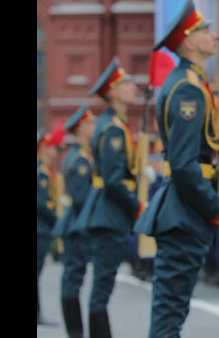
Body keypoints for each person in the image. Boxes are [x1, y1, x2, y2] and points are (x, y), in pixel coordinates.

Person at [134, 0, 219, 338]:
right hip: (185, 214)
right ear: (189, 41)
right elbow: (184, 166)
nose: (213, 34)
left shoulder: (192, 82)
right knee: (169, 317)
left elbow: (196, 152)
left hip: (184, 212)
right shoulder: (188, 89)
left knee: (173, 312)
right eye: (205, 29)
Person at [73, 57, 142, 338]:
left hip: (107, 212)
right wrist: (138, 206)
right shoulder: (113, 128)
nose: (133, 87)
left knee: (102, 286)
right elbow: (113, 180)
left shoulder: (114, 123)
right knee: (102, 287)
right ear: (113, 92)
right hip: (109, 213)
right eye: (126, 83)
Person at [54, 104, 97, 338]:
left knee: (73, 277)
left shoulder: (81, 156)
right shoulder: (80, 160)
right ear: (81, 128)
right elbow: (82, 198)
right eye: (91, 123)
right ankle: (75, 332)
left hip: (75, 223)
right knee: (73, 279)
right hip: (78, 225)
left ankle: (75, 331)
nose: (94, 127)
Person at [38, 127, 63, 327]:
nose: (55, 152)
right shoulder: (42, 174)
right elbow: (41, 203)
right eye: (53, 148)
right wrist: (58, 220)